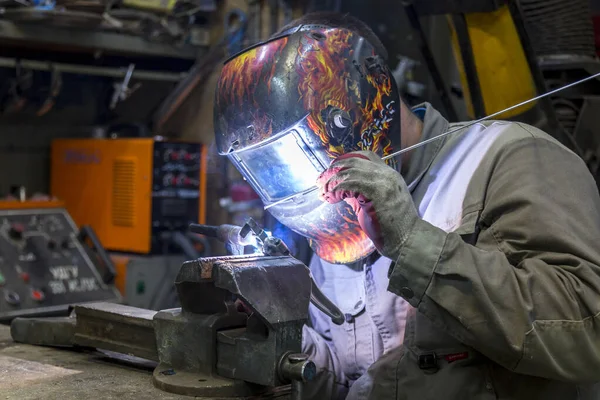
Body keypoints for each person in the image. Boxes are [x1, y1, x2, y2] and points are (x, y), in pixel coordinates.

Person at [213, 11, 600, 400]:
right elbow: (353, 380)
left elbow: (586, 336)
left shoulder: (505, 158)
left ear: (356, 102)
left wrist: (413, 242)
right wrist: (282, 345)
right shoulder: (331, 224)